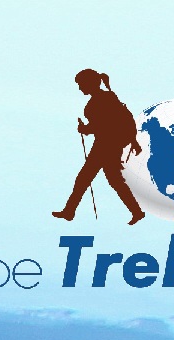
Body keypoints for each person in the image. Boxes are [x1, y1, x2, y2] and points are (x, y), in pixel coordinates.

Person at [58, 69, 146, 224]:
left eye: (81, 84)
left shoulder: (102, 99)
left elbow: (104, 125)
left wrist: (85, 129)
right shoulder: (106, 98)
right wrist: (87, 129)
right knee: (112, 180)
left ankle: (69, 212)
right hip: (107, 145)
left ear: (89, 83)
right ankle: (137, 212)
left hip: (106, 146)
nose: (80, 88)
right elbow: (105, 124)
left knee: (86, 179)